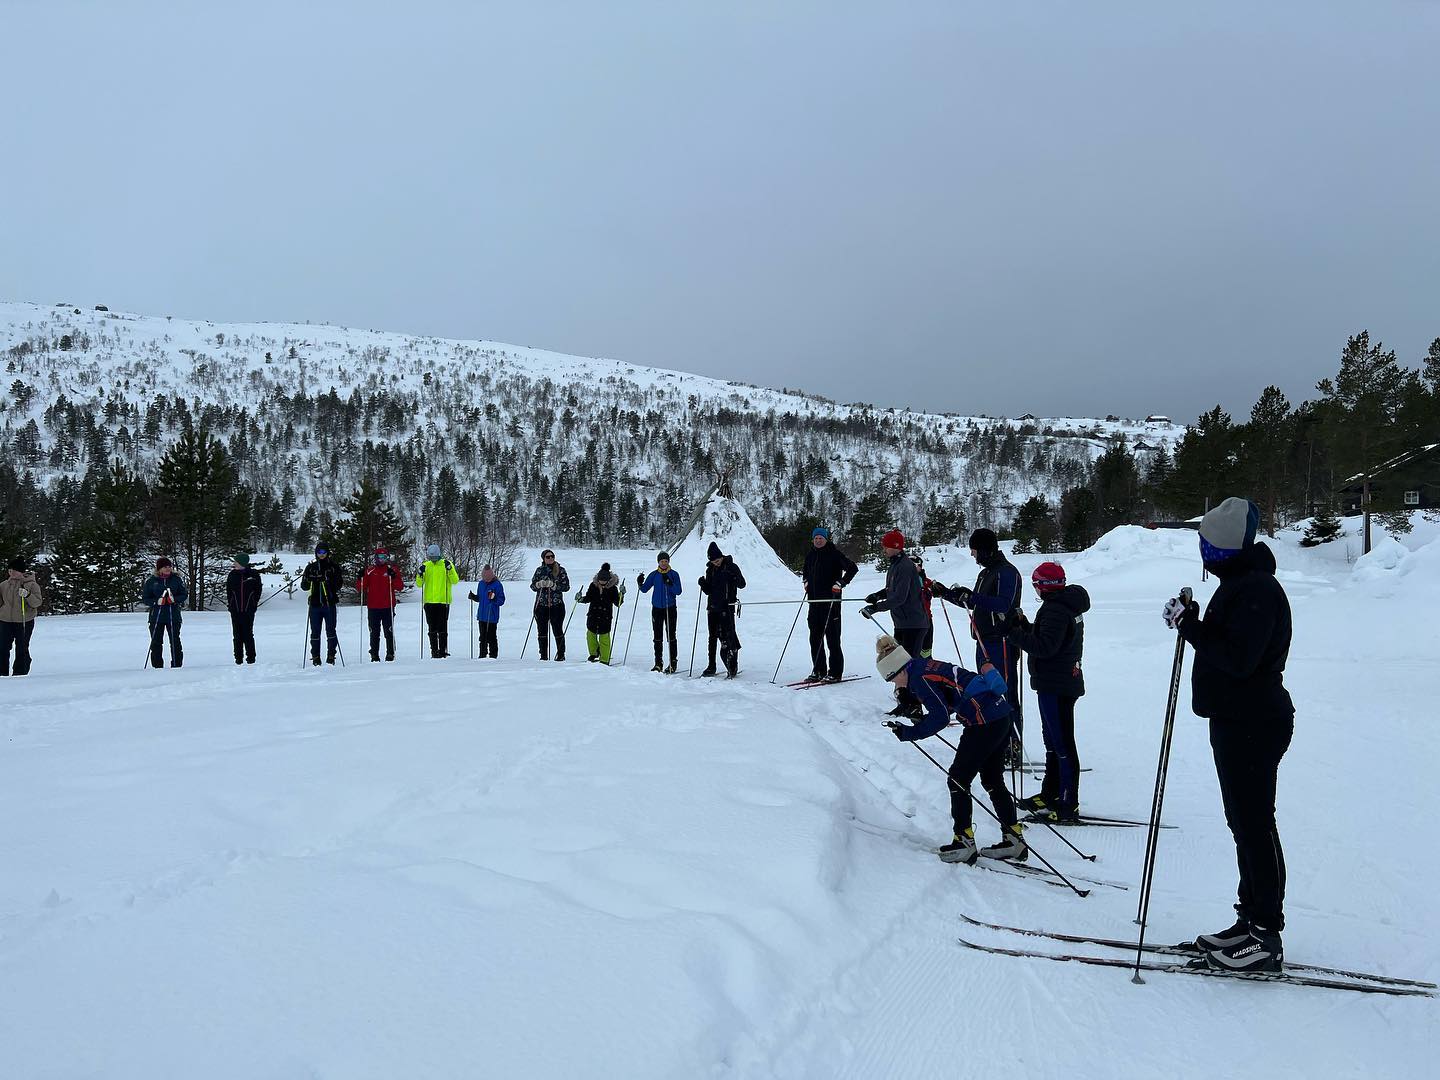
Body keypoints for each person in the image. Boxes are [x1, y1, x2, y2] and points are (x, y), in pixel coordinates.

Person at [1164, 497, 1293, 974]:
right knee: (1244, 822)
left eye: (1207, 543)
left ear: (1224, 548)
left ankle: (1265, 933)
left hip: (1255, 722)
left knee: (1255, 824)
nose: (1203, 551)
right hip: (1237, 720)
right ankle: (1250, 920)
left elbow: (1238, 659)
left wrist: (1191, 627)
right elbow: (1226, 642)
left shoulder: (1258, 590)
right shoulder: (1238, 584)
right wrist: (1193, 619)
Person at [876, 635, 1025, 865]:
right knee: (993, 779)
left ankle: (964, 841)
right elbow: (944, 699)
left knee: (957, 779)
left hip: (983, 721)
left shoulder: (918, 678)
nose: (896, 685)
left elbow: (941, 717)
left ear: (898, 670)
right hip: (1000, 715)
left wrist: (909, 734)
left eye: (893, 680)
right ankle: (1013, 839)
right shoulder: (921, 666)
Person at [1006, 561, 1088, 823]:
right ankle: (1050, 792)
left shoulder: (1056, 609)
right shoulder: (1062, 605)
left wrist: (1014, 634)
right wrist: (1024, 626)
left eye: (1036, 585)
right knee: (1053, 742)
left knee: (1062, 745)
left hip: (1057, 684)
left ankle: (1067, 802)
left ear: (1044, 586)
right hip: (1056, 681)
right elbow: (1048, 638)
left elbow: (1045, 647)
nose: (1036, 590)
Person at [946, 528, 1024, 764]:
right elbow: (977, 605)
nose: (973, 555)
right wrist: (949, 594)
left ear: (985, 549)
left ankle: (1013, 744)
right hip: (983, 641)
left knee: (1004, 691)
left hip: (1000, 642)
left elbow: (1002, 604)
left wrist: (971, 597)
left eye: (974, 550)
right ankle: (996, 742)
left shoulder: (1007, 573)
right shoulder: (986, 574)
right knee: (988, 692)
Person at [860, 530, 928, 714]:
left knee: (909, 666)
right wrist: (878, 595)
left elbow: (899, 597)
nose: (883, 548)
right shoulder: (895, 565)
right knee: (900, 665)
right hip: (903, 623)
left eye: (886, 545)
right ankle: (905, 703)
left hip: (914, 623)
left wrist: (876, 608)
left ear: (895, 547)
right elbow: (892, 589)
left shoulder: (905, 566)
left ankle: (915, 706)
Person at [801, 526, 858, 681]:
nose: (818, 540)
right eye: (816, 538)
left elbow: (853, 568)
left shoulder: (834, 554)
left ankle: (835, 672)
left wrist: (841, 583)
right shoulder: (810, 555)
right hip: (814, 603)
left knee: (832, 639)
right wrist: (805, 581)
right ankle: (818, 670)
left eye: (821, 538)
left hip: (831, 603)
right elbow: (805, 571)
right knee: (815, 639)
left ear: (826, 539)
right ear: (813, 540)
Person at [697, 541, 746, 677]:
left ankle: (732, 665)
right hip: (712, 607)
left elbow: (742, 584)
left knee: (729, 636)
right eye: (713, 561)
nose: (716, 563)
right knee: (712, 637)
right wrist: (703, 584)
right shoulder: (710, 570)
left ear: (721, 556)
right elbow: (708, 591)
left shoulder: (731, 566)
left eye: (717, 560)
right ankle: (711, 666)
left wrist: (734, 577)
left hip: (727, 607)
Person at [637, 551, 683, 673]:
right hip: (657, 609)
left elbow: (678, 591)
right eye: (662, 561)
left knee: (671, 636)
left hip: (670, 608)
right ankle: (658, 663)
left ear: (669, 562)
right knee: (657, 636)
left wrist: (669, 583)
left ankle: (673, 663)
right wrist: (640, 582)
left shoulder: (674, 574)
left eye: (666, 561)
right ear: (658, 562)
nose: (664, 563)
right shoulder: (654, 575)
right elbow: (644, 589)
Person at [358, 547, 405, 662]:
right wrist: (360, 578)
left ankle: (390, 653)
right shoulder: (370, 570)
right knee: (374, 632)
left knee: (388, 631)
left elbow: (400, 587)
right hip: (373, 607)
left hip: (388, 606)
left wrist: (393, 577)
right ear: (376, 558)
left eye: (384, 557)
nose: (382, 560)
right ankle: (374, 654)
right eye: (380, 557)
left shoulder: (391, 569)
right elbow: (360, 588)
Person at [300, 543, 343, 665]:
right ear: (316, 553)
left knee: (331, 630)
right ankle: (315, 657)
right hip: (314, 605)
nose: (322, 555)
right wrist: (310, 578)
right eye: (319, 553)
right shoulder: (310, 567)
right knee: (315, 632)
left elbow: (339, 584)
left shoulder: (333, 567)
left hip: (329, 604)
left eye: (324, 552)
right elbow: (304, 586)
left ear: (328, 553)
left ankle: (331, 656)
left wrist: (327, 579)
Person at [141, 557, 187, 668]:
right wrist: (156, 601)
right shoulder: (152, 581)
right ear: (159, 569)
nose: (168, 569)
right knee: (156, 642)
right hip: (156, 616)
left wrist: (174, 599)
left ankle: (176, 665)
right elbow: (145, 598)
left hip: (173, 615)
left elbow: (184, 594)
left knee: (175, 641)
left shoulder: (176, 579)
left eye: (169, 566)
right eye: (165, 567)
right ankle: (157, 667)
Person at [416, 542, 460, 658]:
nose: (433, 560)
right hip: (429, 602)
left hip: (443, 601)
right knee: (432, 628)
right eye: (431, 558)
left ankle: (443, 650)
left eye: (435, 557)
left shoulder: (446, 564)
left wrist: (450, 569)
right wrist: (419, 573)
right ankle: (434, 651)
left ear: (439, 555)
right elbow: (419, 584)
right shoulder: (426, 566)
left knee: (442, 628)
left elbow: (455, 580)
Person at [0, 556, 43, 676]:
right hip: (5, 621)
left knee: (22, 648)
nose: (11, 572)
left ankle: (20, 673)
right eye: (9, 570)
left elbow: (37, 602)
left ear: (20, 571)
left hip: (24, 621)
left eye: (14, 570)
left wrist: (28, 595)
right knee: (2, 648)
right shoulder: (3, 585)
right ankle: (1, 673)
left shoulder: (31, 585)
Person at [578, 562, 625, 664]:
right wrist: (580, 599)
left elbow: (618, 603)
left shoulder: (612, 588)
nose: (602, 582)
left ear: (608, 579)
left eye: (604, 580)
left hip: (605, 617)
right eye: (600, 580)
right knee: (590, 635)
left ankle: (604, 658)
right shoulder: (593, 585)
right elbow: (588, 598)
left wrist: (622, 594)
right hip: (593, 615)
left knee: (604, 638)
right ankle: (594, 654)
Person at [530, 549, 570, 661]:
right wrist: (538, 584)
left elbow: (566, 587)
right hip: (541, 605)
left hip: (556, 605)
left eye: (552, 556)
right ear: (543, 559)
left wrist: (554, 586)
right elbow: (532, 586)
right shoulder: (539, 570)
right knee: (542, 631)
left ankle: (561, 655)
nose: (550, 558)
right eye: (548, 557)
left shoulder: (561, 570)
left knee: (557, 630)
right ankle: (543, 656)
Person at [225, 553, 263, 664]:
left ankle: (251, 658)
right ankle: (238, 659)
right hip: (235, 610)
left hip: (248, 610)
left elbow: (258, 590)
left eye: (236, 562)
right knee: (237, 635)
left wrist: (253, 603)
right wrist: (231, 604)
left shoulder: (253, 574)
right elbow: (229, 592)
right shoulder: (232, 574)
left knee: (248, 634)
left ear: (242, 563)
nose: (234, 563)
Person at [467, 565, 506, 659]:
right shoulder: (481, 584)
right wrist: (473, 597)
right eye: (485, 578)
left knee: (491, 637)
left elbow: (501, 600)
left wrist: (494, 598)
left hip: (492, 615)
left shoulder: (497, 585)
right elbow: (481, 598)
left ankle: (493, 656)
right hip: (482, 615)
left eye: (489, 578)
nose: (487, 580)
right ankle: (482, 655)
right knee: (482, 637)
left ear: (492, 576)